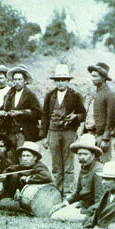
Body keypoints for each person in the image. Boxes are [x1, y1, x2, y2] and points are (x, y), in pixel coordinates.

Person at [40, 64, 86, 197]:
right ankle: (56, 191)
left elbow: (83, 114)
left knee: (68, 163)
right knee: (56, 163)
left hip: (69, 132)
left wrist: (75, 117)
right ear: (55, 81)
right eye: (58, 80)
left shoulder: (75, 95)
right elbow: (44, 116)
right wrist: (44, 136)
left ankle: (67, 192)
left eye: (63, 80)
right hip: (53, 131)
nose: (60, 83)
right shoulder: (50, 95)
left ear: (68, 81)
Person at [50, 134, 104, 222]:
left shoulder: (98, 171)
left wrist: (86, 211)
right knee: (56, 211)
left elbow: (100, 200)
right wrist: (64, 204)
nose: (82, 157)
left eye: (85, 154)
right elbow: (78, 193)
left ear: (93, 155)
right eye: (79, 154)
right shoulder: (84, 167)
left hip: (92, 210)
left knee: (56, 216)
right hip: (83, 204)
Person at [0, 141, 57, 216]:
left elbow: (46, 176)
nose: (25, 159)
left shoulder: (39, 166)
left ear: (35, 157)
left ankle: (18, 206)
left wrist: (27, 179)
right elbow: (8, 170)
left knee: (3, 203)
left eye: (28, 156)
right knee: (14, 175)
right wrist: (0, 182)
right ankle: (12, 201)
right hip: (20, 196)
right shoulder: (21, 166)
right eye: (23, 156)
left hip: (38, 199)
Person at [0, 65, 41, 156]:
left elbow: (38, 113)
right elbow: (3, 108)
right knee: (10, 155)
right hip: (10, 131)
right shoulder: (9, 94)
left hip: (24, 132)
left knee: (22, 154)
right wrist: (0, 112)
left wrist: (21, 113)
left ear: (25, 81)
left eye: (20, 80)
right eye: (15, 80)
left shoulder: (30, 95)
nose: (17, 82)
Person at [82, 161, 115, 229]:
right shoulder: (110, 192)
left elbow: (109, 221)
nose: (103, 182)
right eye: (103, 179)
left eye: (107, 179)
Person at [84, 62, 115, 162]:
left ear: (103, 78)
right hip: (91, 134)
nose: (93, 79)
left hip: (101, 136)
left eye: (95, 76)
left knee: (103, 163)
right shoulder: (95, 93)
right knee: (91, 163)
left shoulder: (110, 94)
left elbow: (112, 118)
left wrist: (106, 138)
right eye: (92, 76)